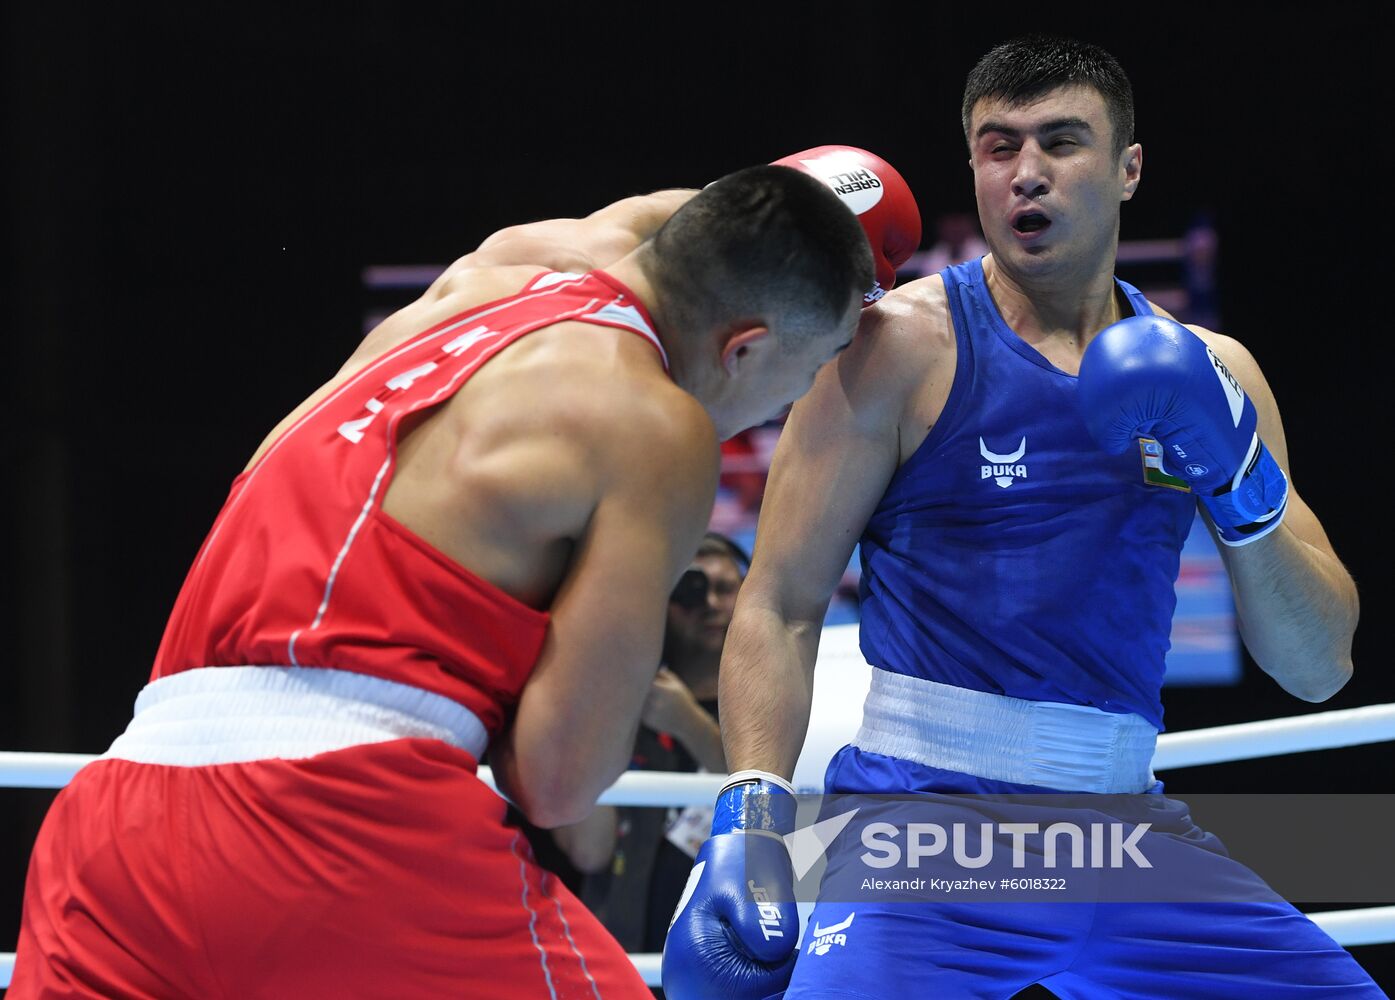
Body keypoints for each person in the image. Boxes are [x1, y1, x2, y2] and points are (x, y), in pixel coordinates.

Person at [9, 159, 903, 998]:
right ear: (743, 348)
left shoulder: (483, 280)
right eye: (808, 370)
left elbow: (666, 230)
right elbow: (555, 782)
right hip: (340, 823)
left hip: (113, 825)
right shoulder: (653, 423)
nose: (794, 405)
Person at [664, 36, 1381, 998]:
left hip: (1126, 838)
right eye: (998, 146)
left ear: (1128, 169)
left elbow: (1317, 665)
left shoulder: (1215, 371)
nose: (1026, 173)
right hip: (923, 832)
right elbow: (779, 605)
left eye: (1060, 142)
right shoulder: (897, 350)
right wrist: (752, 812)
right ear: (971, 165)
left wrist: (1234, 469)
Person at [575, 532, 746, 963]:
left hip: (733, 958)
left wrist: (686, 722)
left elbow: (778, 795)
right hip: (627, 960)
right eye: (689, 588)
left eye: (725, 588)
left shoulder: (780, 707)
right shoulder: (617, 708)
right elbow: (589, 849)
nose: (709, 602)